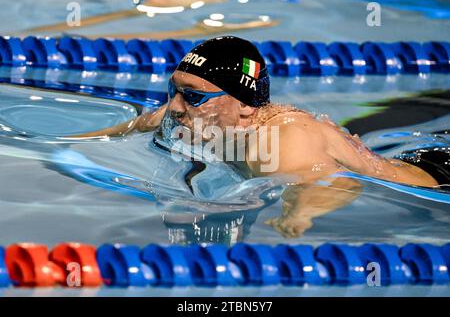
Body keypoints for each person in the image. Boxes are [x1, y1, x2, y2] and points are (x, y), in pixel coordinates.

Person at [72, 36, 449, 238]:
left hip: (436, 183)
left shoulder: (282, 139)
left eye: (193, 95)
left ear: (244, 106)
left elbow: (337, 184)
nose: (173, 107)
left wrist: (299, 214)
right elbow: (123, 130)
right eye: (174, 90)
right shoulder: (190, 117)